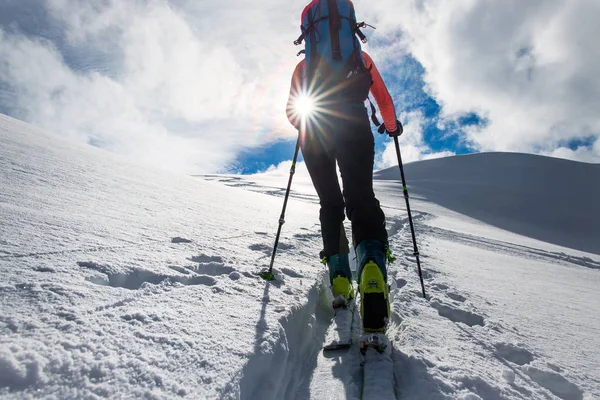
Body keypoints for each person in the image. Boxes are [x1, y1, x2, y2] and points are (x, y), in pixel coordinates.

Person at [285, 50, 401, 332]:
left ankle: (339, 280)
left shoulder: (305, 64)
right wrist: (392, 126)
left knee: (330, 203)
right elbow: (383, 99)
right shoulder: (359, 56)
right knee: (361, 199)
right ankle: (372, 272)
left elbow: (291, 111)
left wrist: (308, 126)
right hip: (355, 125)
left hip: (314, 130)